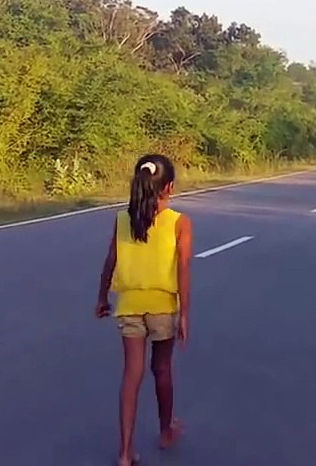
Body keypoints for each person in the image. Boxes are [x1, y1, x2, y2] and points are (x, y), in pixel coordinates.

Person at [94, 154, 193, 466]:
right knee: (161, 368)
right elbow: (183, 269)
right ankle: (166, 430)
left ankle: (125, 452)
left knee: (131, 375)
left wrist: (102, 297)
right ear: (170, 187)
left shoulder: (123, 219)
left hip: (129, 306)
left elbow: (110, 260)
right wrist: (184, 314)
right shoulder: (179, 222)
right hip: (163, 306)